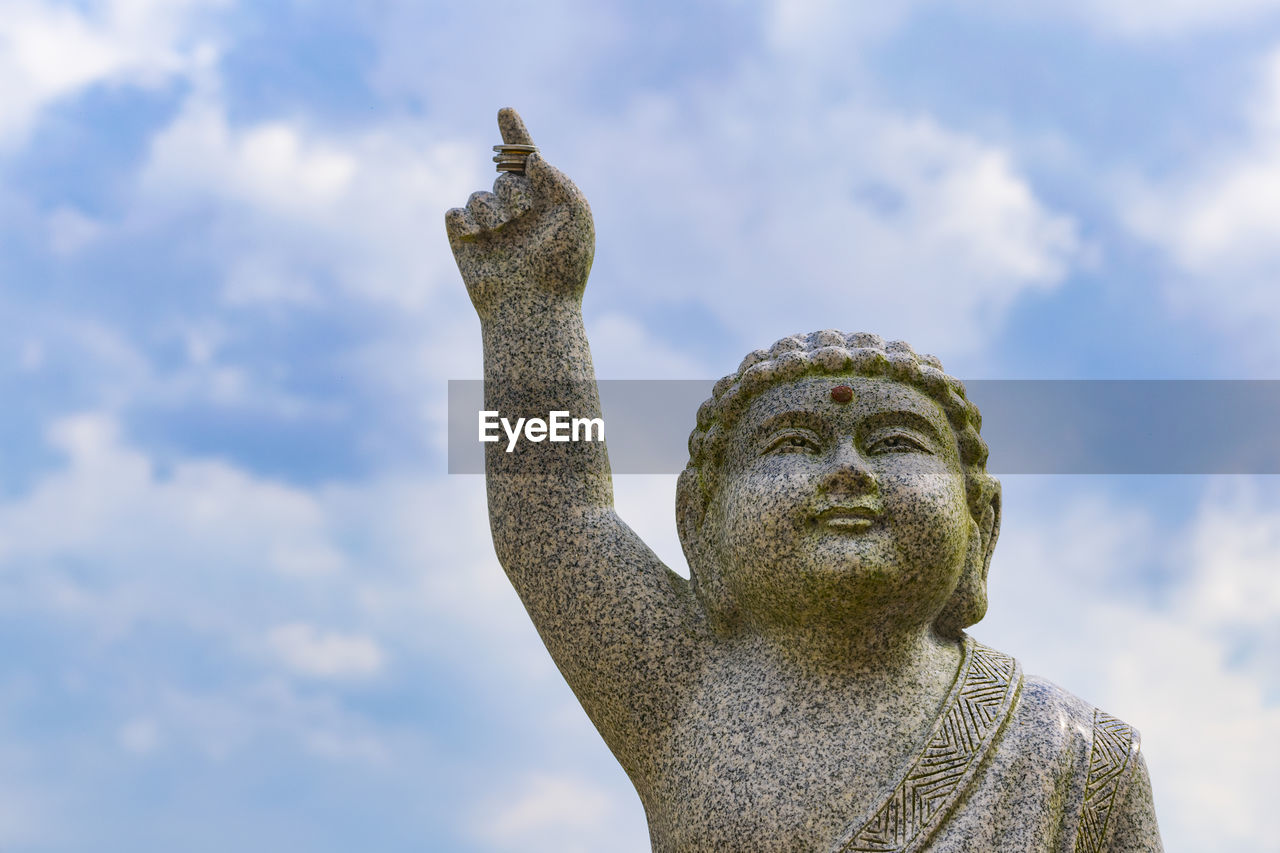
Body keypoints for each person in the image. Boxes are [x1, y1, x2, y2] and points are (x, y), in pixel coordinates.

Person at [446, 109, 1162, 852]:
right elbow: (553, 520)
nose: (847, 470)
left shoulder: (1080, 756)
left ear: (980, 522)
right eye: (795, 443)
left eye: (894, 443)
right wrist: (534, 310)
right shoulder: (683, 688)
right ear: (701, 522)